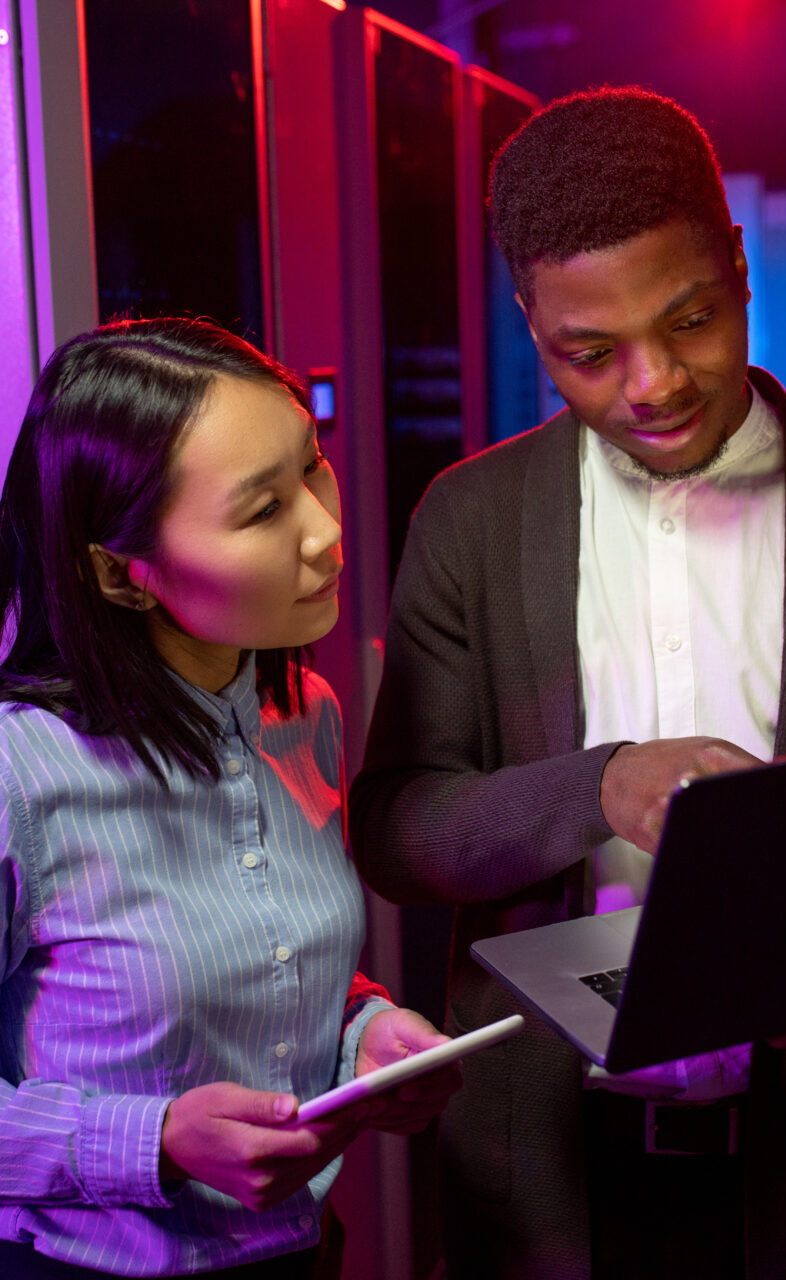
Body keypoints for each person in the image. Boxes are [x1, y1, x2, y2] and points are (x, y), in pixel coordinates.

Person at [349, 86, 786, 1279]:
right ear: (528, 322)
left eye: (690, 320)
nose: (654, 382)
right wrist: (603, 786)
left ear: (734, 262)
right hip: (544, 1175)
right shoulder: (469, 519)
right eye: (589, 351)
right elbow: (397, 831)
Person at [0, 317, 460, 1279]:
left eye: (313, 469)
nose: (327, 529)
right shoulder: (22, 773)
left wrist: (368, 1035)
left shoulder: (305, 713)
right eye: (262, 511)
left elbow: (277, 969)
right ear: (121, 574)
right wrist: (156, 1140)